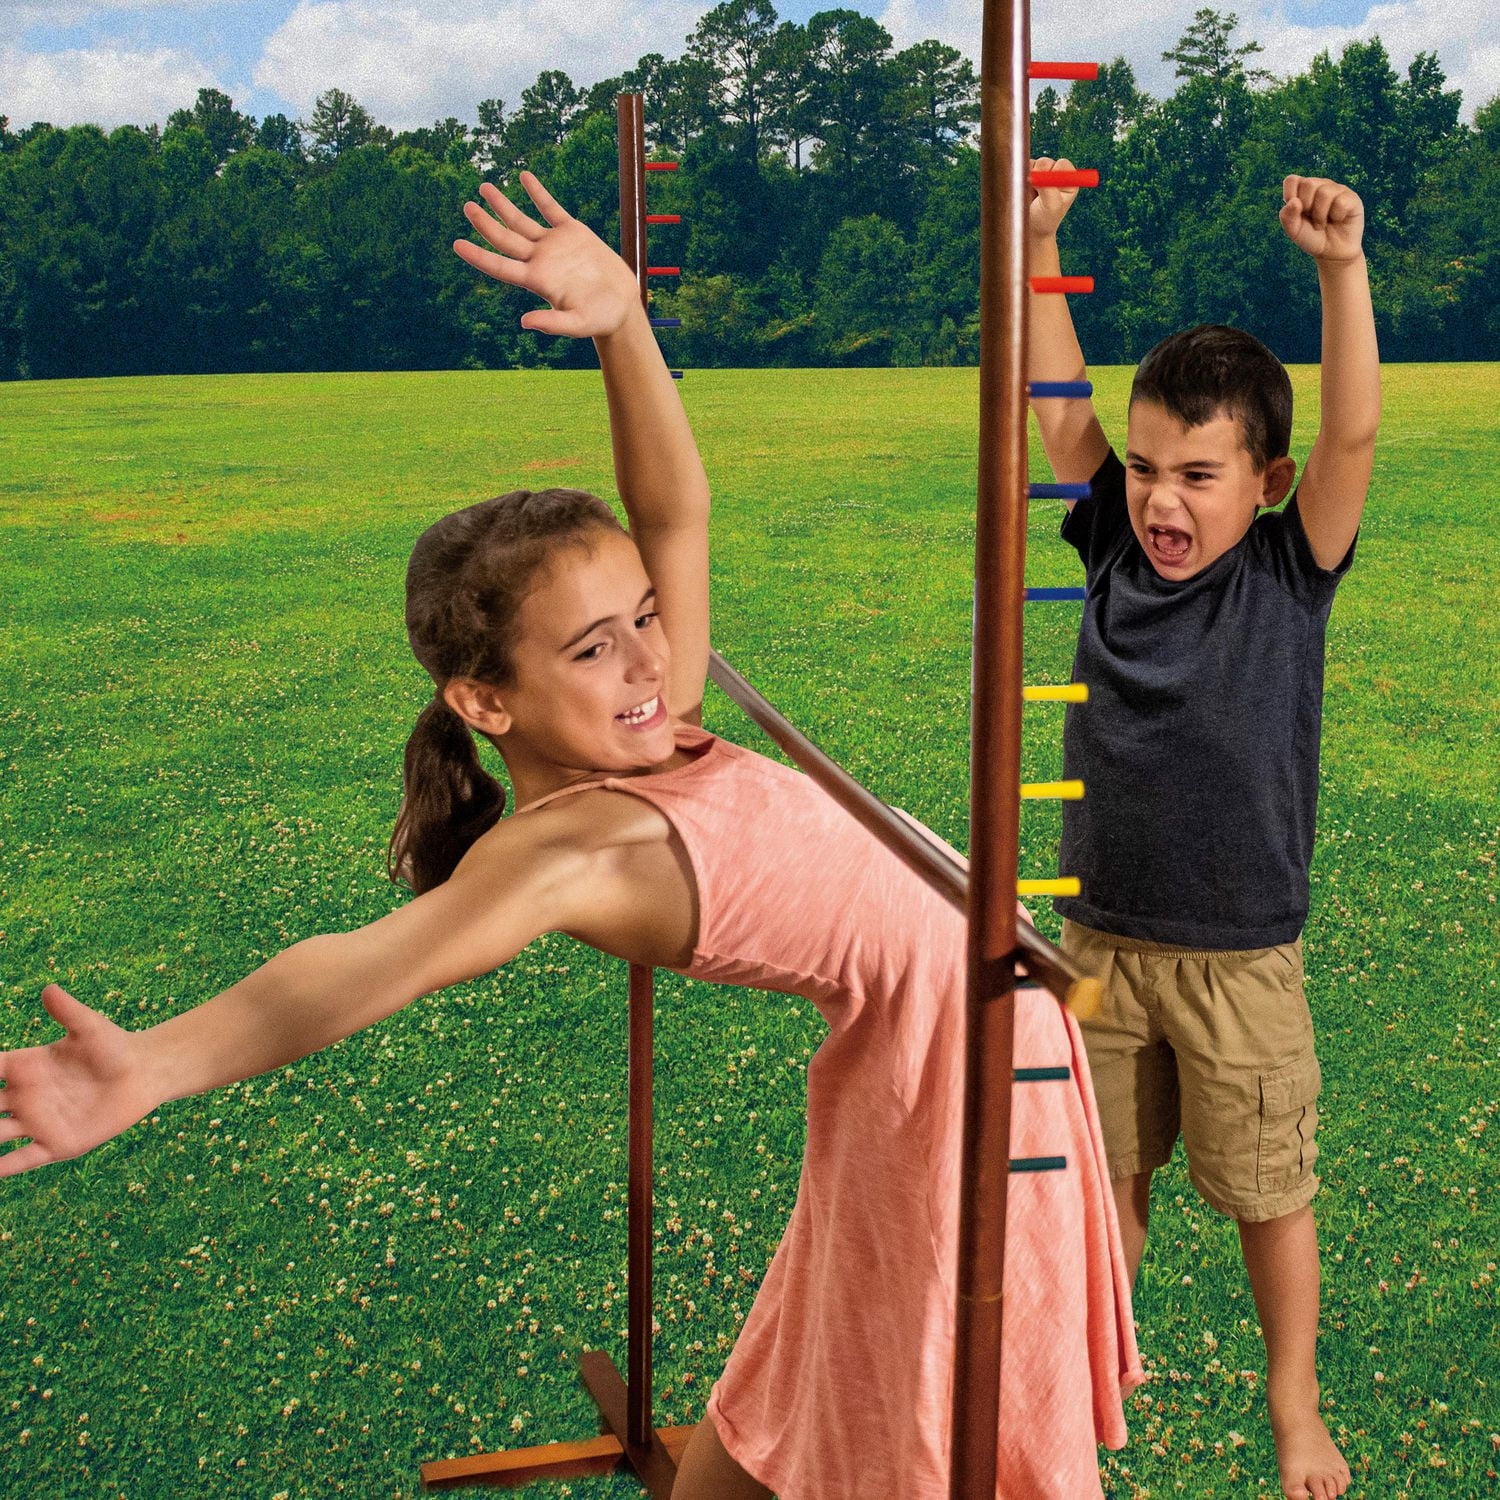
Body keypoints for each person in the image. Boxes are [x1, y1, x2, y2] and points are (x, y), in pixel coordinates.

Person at [0, 173, 1142, 1499]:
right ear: (484, 702)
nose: (650, 660)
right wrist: (150, 1067)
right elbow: (367, 967)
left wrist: (623, 327)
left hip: (964, 1046)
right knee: (907, 1407)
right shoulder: (579, 850)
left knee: (826, 1374)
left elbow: (674, 512)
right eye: (594, 648)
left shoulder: (647, 716)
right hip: (959, 1083)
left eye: (646, 618)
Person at [1026, 160, 1378, 1500]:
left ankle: (1294, 1404)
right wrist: (1043, 252)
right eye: (1144, 469)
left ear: (1265, 479)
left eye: (1198, 475)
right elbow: (1062, 410)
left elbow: (1351, 441)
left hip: (1240, 957)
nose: (1162, 501)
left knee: (1267, 1191)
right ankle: (1090, 1379)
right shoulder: (1112, 546)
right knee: (1105, 1178)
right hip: (1099, 942)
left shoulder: (1291, 566)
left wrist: (1340, 271)